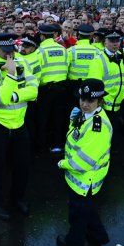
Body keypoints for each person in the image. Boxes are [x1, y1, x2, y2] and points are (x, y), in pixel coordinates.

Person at [0, 33, 38, 221]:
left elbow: (34, 89)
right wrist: (11, 75)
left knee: (23, 165)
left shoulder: (21, 60)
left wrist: (14, 96)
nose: (9, 56)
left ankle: (17, 199)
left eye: (11, 51)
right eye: (5, 52)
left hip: (19, 123)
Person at [56, 79, 113, 246]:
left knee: (77, 214)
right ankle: (99, 236)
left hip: (84, 178)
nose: (84, 104)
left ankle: (73, 245)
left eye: (90, 101)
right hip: (81, 179)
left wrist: (62, 163)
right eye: (82, 99)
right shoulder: (86, 115)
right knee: (85, 209)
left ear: (99, 101)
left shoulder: (98, 126)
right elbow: (75, 137)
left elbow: (83, 161)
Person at [35, 24, 69, 154]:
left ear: (42, 36)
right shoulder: (63, 49)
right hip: (62, 88)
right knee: (58, 118)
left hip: (46, 90)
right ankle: (57, 145)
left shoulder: (40, 51)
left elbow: (37, 73)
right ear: (54, 35)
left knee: (43, 119)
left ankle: (41, 147)